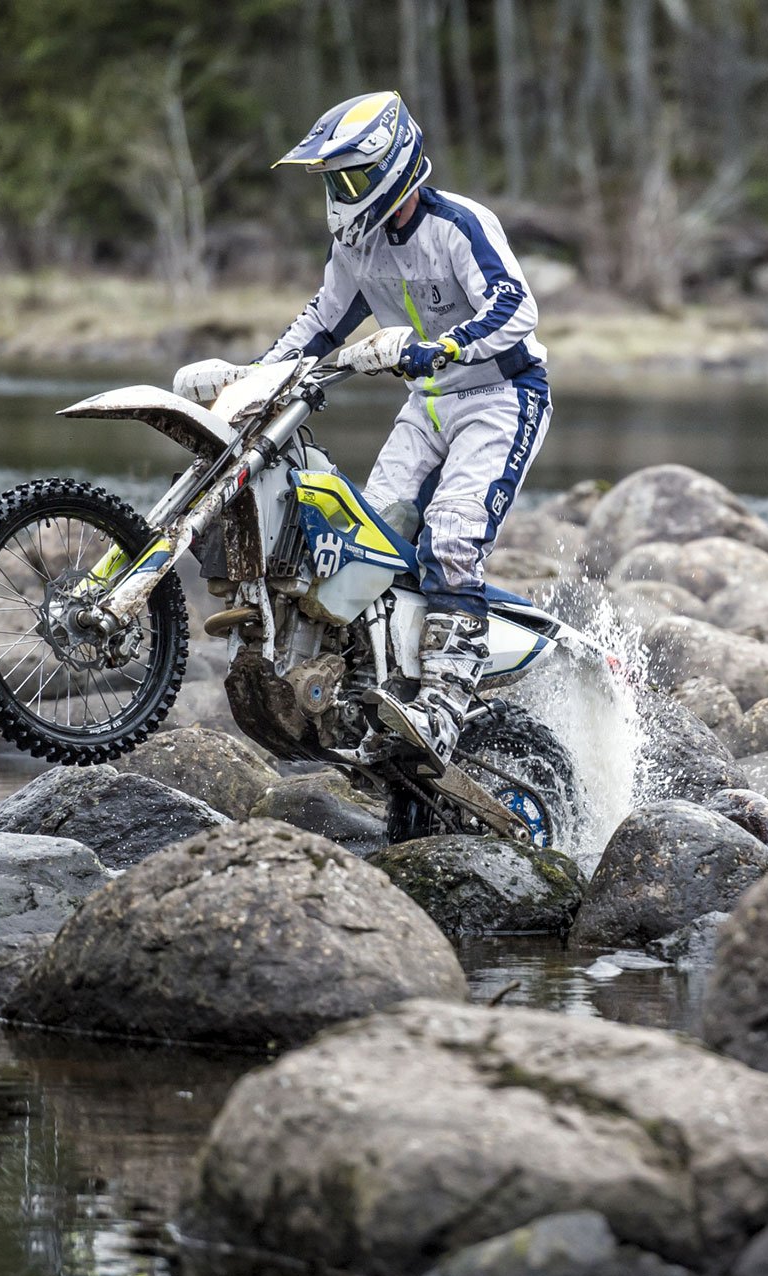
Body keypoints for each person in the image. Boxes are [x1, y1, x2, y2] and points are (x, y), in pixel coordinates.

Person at [172, 91, 548, 775]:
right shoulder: (355, 244)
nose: (341, 194)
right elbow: (323, 322)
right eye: (334, 182)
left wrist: (449, 346)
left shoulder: (458, 224)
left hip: (500, 397)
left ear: (392, 166)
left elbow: (515, 306)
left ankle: (443, 706)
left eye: (350, 179)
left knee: (453, 533)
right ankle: (373, 686)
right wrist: (253, 380)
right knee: (367, 543)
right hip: (428, 404)